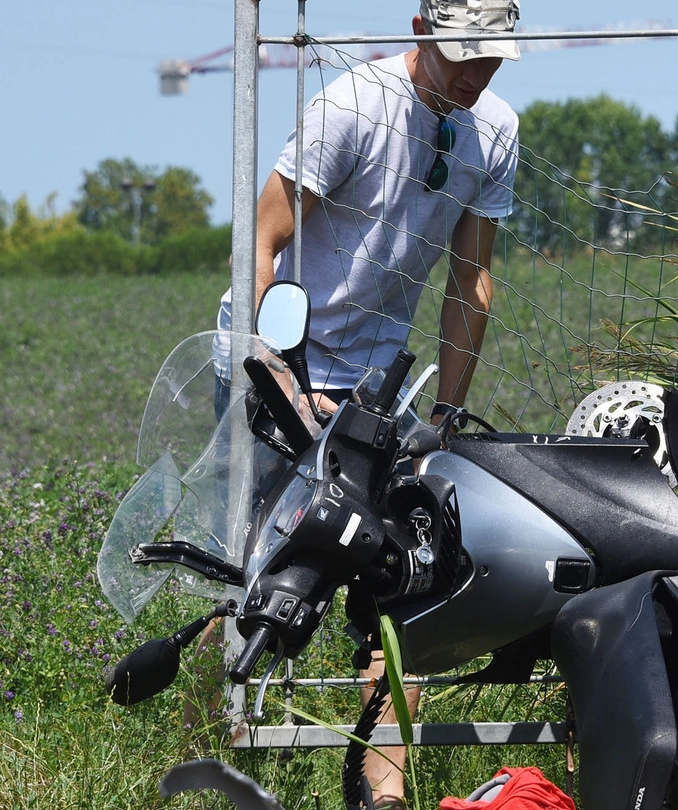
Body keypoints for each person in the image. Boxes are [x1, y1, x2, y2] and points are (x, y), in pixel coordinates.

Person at [207, 1, 522, 806]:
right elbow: (262, 240)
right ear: (420, 30)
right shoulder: (354, 104)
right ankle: (215, 751)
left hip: (377, 385)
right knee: (250, 572)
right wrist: (272, 367)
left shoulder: (496, 131)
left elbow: (470, 284)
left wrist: (444, 419)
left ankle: (383, 795)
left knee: (404, 584)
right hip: (280, 349)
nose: (474, 75)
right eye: (460, 56)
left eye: (490, 60)